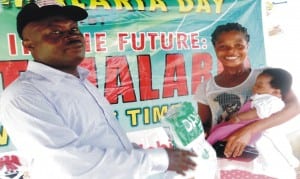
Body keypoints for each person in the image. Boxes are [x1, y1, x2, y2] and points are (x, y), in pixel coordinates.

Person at [0, 3, 197, 179]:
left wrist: (160, 162)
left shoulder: (81, 82)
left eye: (74, 29)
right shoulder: (23, 96)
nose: (72, 35)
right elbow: (69, 165)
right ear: (29, 45)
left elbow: (108, 146)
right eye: (56, 32)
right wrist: (161, 160)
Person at [194, 22, 300, 178]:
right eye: (223, 46)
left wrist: (248, 130)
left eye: (239, 45)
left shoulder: (266, 75)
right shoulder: (206, 87)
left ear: (247, 45)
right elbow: (204, 127)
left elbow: (294, 107)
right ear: (214, 48)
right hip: (228, 162)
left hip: (268, 161)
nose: (231, 51)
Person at [206, 67, 292, 145]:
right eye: (255, 84)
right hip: (241, 125)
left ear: (276, 92)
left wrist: (239, 117)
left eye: (259, 86)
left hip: (246, 127)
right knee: (218, 130)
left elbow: (258, 112)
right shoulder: (260, 98)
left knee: (221, 133)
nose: (254, 87)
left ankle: (210, 144)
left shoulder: (273, 101)